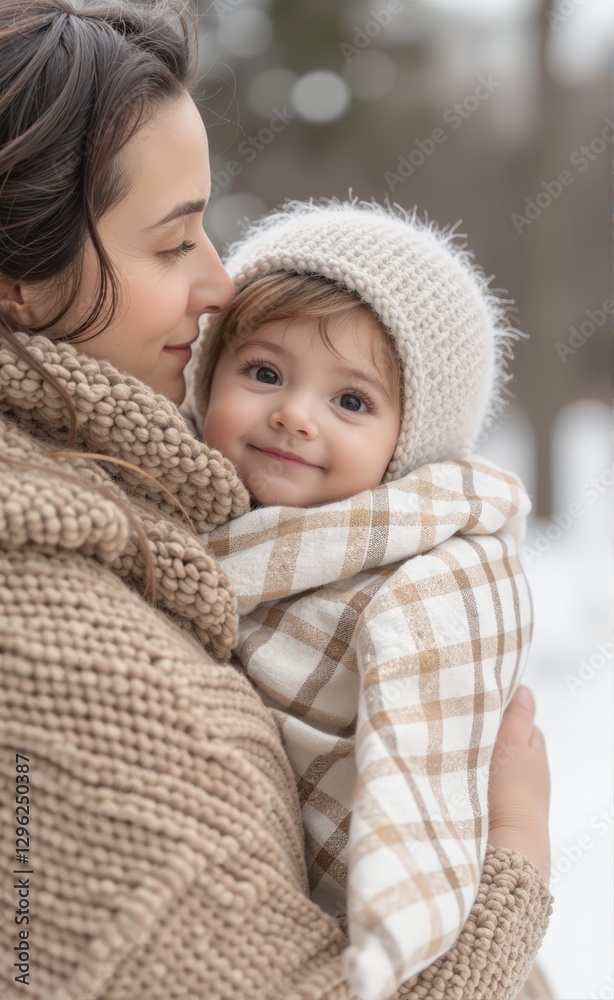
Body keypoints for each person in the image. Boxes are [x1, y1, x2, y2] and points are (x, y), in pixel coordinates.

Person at [0, 2, 553, 998]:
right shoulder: (53, 651)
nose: (220, 282)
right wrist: (512, 861)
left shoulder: (127, 512)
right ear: (17, 282)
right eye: (173, 244)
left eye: (349, 398)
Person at [184, 200, 542, 998]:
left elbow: (435, 744)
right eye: (265, 373)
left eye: (351, 402)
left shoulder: (431, 571)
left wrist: (518, 835)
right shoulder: (174, 530)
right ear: (207, 374)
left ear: (407, 444)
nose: (294, 415)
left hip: (435, 944)